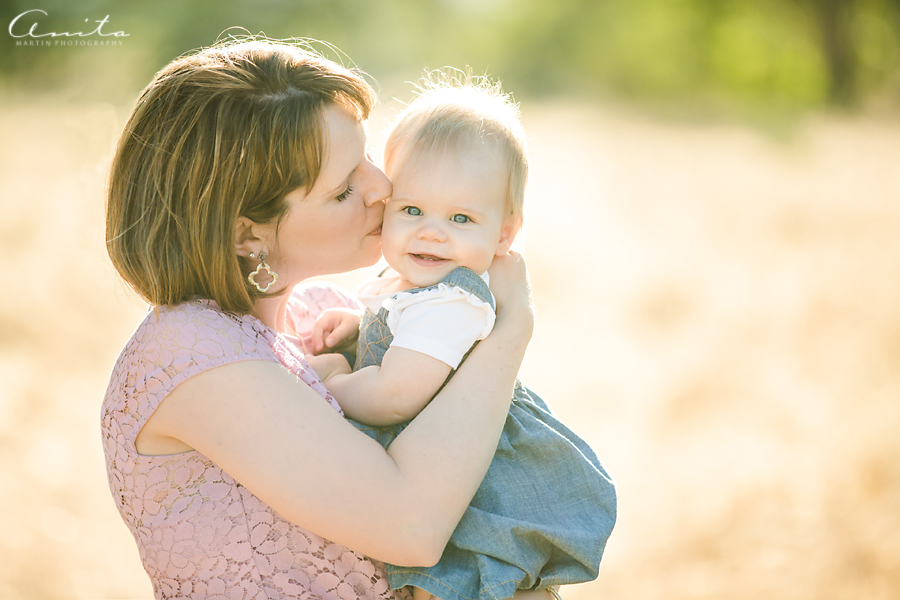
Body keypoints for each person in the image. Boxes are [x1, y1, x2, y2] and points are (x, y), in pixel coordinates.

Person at [101, 39, 551, 600]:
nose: (382, 188)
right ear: (247, 236)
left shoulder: (323, 314)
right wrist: (512, 328)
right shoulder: (191, 353)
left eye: (367, 157)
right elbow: (410, 528)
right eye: (343, 189)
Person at [305, 74, 617, 600]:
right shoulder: (414, 289)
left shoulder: (453, 301)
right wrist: (360, 329)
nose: (432, 231)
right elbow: (406, 341)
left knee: (459, 584)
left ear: (504, 233)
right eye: (412, 210)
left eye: (461, 217)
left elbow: (395, 394)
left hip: (477, 493)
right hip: (438, 470)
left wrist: (330, 382)